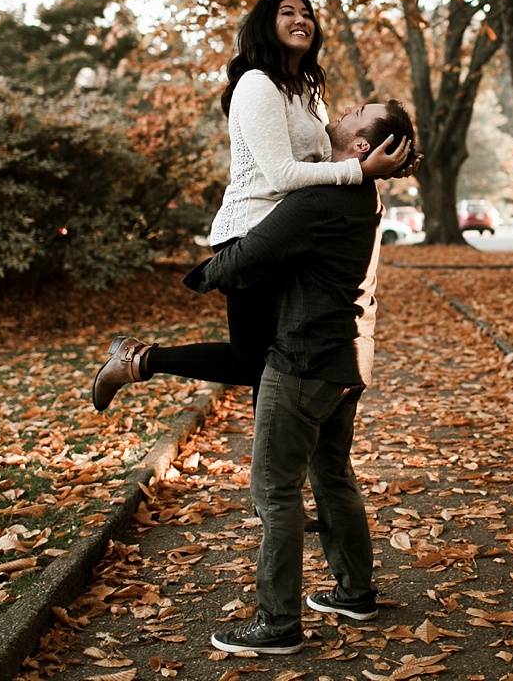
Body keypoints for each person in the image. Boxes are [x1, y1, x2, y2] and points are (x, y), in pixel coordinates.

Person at [92, 0, 410, 411]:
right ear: (266, 25)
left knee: (280, 363)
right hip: (251, 235)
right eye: (287, 12)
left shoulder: (310, 94)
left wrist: (378, 163)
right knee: (253, 363)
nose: (301, 19)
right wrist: (360, 171)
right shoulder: (257, 84)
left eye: (307, 13)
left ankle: (272, 472)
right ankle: (137, 360)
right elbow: (282, 175)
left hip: (294, 236)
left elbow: (325, 162)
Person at [187, 98, 417, 655]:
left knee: (275, 490)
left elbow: (244, 259)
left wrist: (201, 273)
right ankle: (355, 592)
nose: (340, 110)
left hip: (304, 361)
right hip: (347, 358)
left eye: (355, 112)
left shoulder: (321, 197)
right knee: (332, 476)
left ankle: (277, 622)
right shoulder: (364, 193)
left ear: (362, 146)